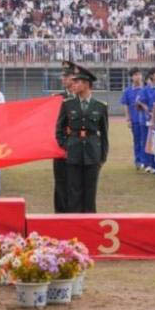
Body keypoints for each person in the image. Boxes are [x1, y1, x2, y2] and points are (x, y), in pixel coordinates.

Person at [55, 63, 107, 213]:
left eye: (77, 82)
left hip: (92, 153)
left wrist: (102, 156)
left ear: (86, 84)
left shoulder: (100, 106)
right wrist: (66, 145)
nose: (74, 84)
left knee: (90, 191)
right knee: (74, 191)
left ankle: (90, 221)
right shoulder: (68, 105)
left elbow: (104, 135)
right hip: (74, 153)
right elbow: (59, 129)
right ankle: (74, 221)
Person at [51, 62, 74, 213]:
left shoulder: (81, 98)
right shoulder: (57, 98)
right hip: (60, 146)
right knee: (60, 181)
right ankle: (60, 213)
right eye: (63, 76)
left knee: (76, 182)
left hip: (77, 145)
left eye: (66, 76)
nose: (63, 79)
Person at [120, 69, 150, 172]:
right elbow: (125, 105)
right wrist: (128, 119)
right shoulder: (128, 91)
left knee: (146, 141)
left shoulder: (146, 89)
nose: (138, 77)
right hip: (135, 120)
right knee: (137, 140)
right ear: (131, 77)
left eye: (139, 74)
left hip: (147, 120)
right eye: (135, 75)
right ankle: (138, 161)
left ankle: (146, 161)